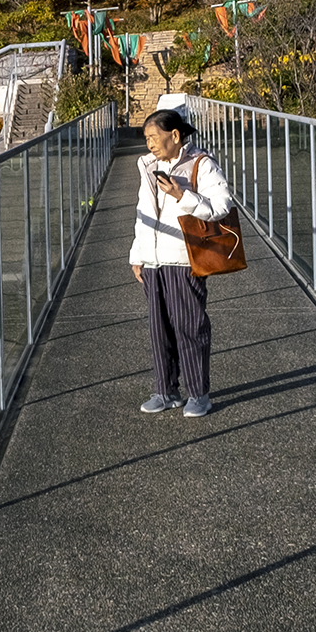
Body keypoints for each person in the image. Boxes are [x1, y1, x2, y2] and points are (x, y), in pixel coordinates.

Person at [128, 105, 232, 418]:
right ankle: (166, 391)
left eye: (153, 137)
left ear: (174, 135)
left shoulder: (201, 163)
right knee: (159, 331)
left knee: (190, 328)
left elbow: (222, 206)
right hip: (153, 262)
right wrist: (137, 254)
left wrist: (181, 195)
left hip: (184, 260)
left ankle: (199, 394)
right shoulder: (148, 165)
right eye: (146, 138)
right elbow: (143, 214)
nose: (149, 144)